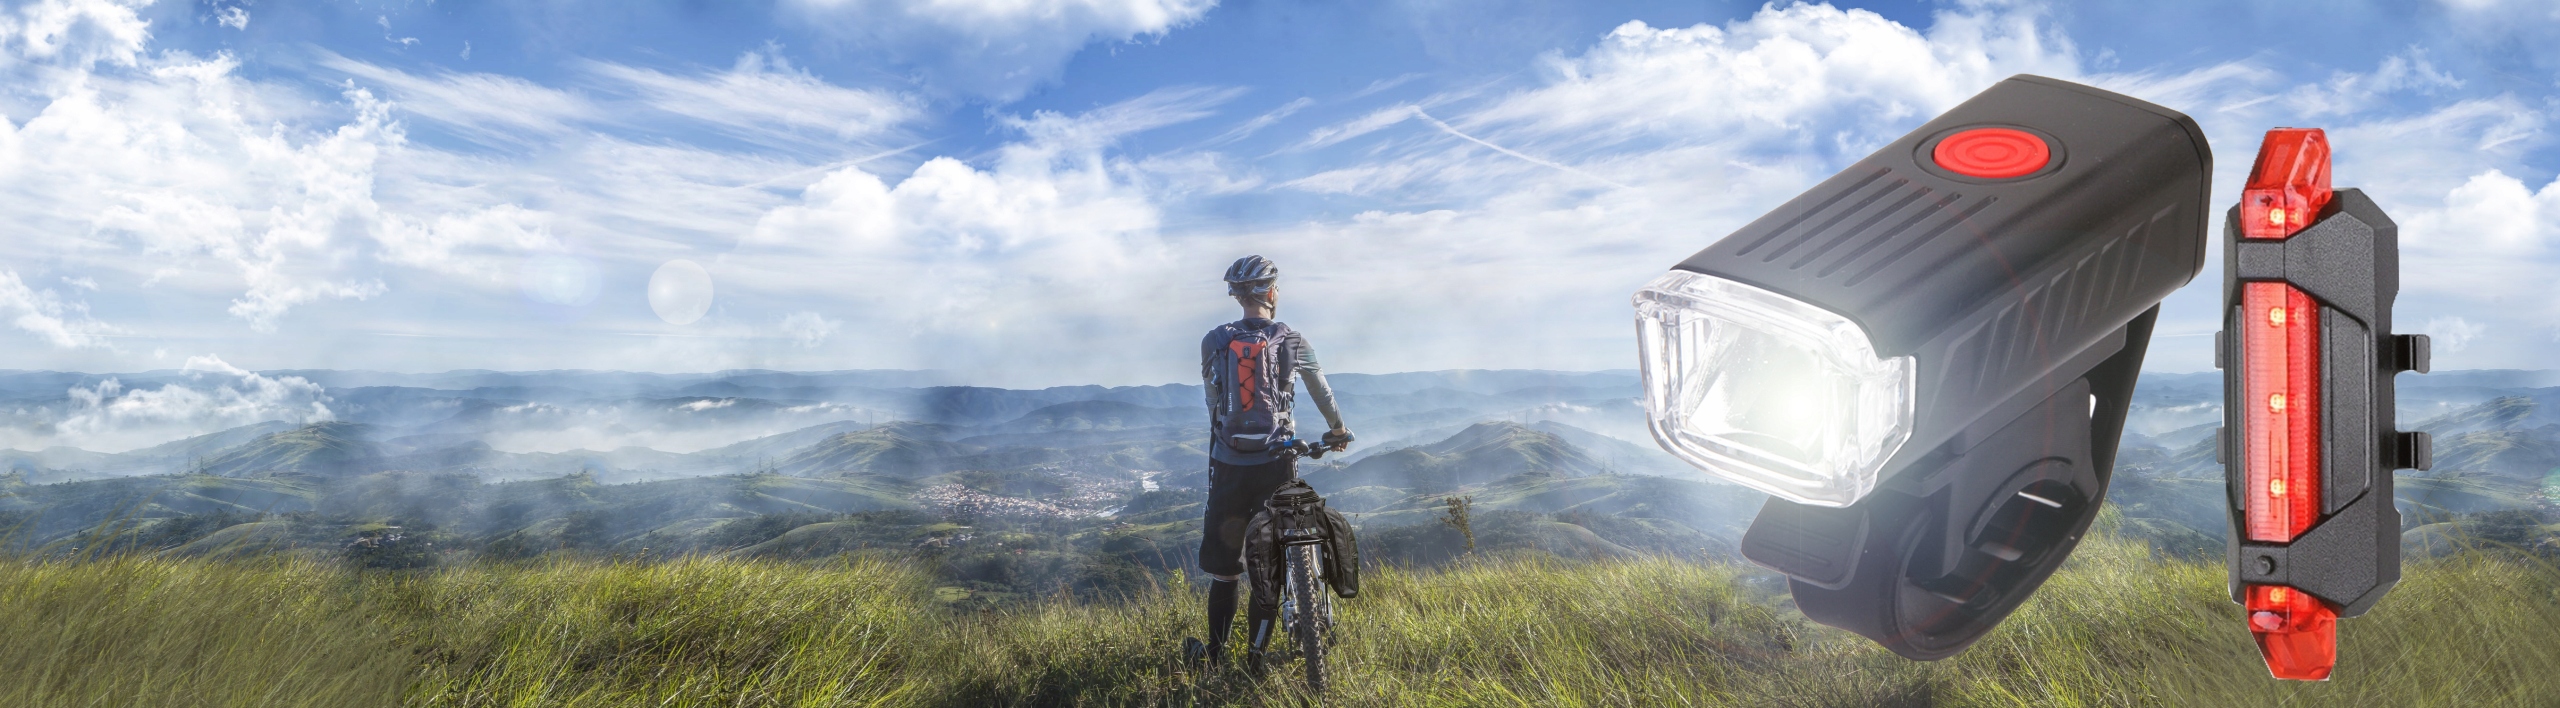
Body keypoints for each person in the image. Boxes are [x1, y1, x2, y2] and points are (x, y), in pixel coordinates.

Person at [1188, 254, 1352, 672]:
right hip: (1277, 462)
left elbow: (1212, 402)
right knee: (1269, 565)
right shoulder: (1292, 340)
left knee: (1227, 572)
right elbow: (1321, 391)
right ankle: (1256, 657)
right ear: (1272, 292)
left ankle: (1214, 655)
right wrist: (1336, 430)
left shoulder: (1214, 341)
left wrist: (1223, 444)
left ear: (1237, 296)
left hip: (1228, 463)